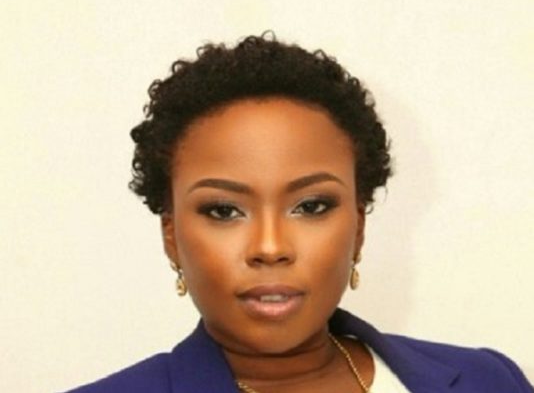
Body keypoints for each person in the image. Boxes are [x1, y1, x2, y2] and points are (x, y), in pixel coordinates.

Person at [65, 33, 532, 392]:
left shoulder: (489, 380)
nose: (270, 247)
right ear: (171, 237)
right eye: (224, 210)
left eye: (311, 206)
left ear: (359, 228)